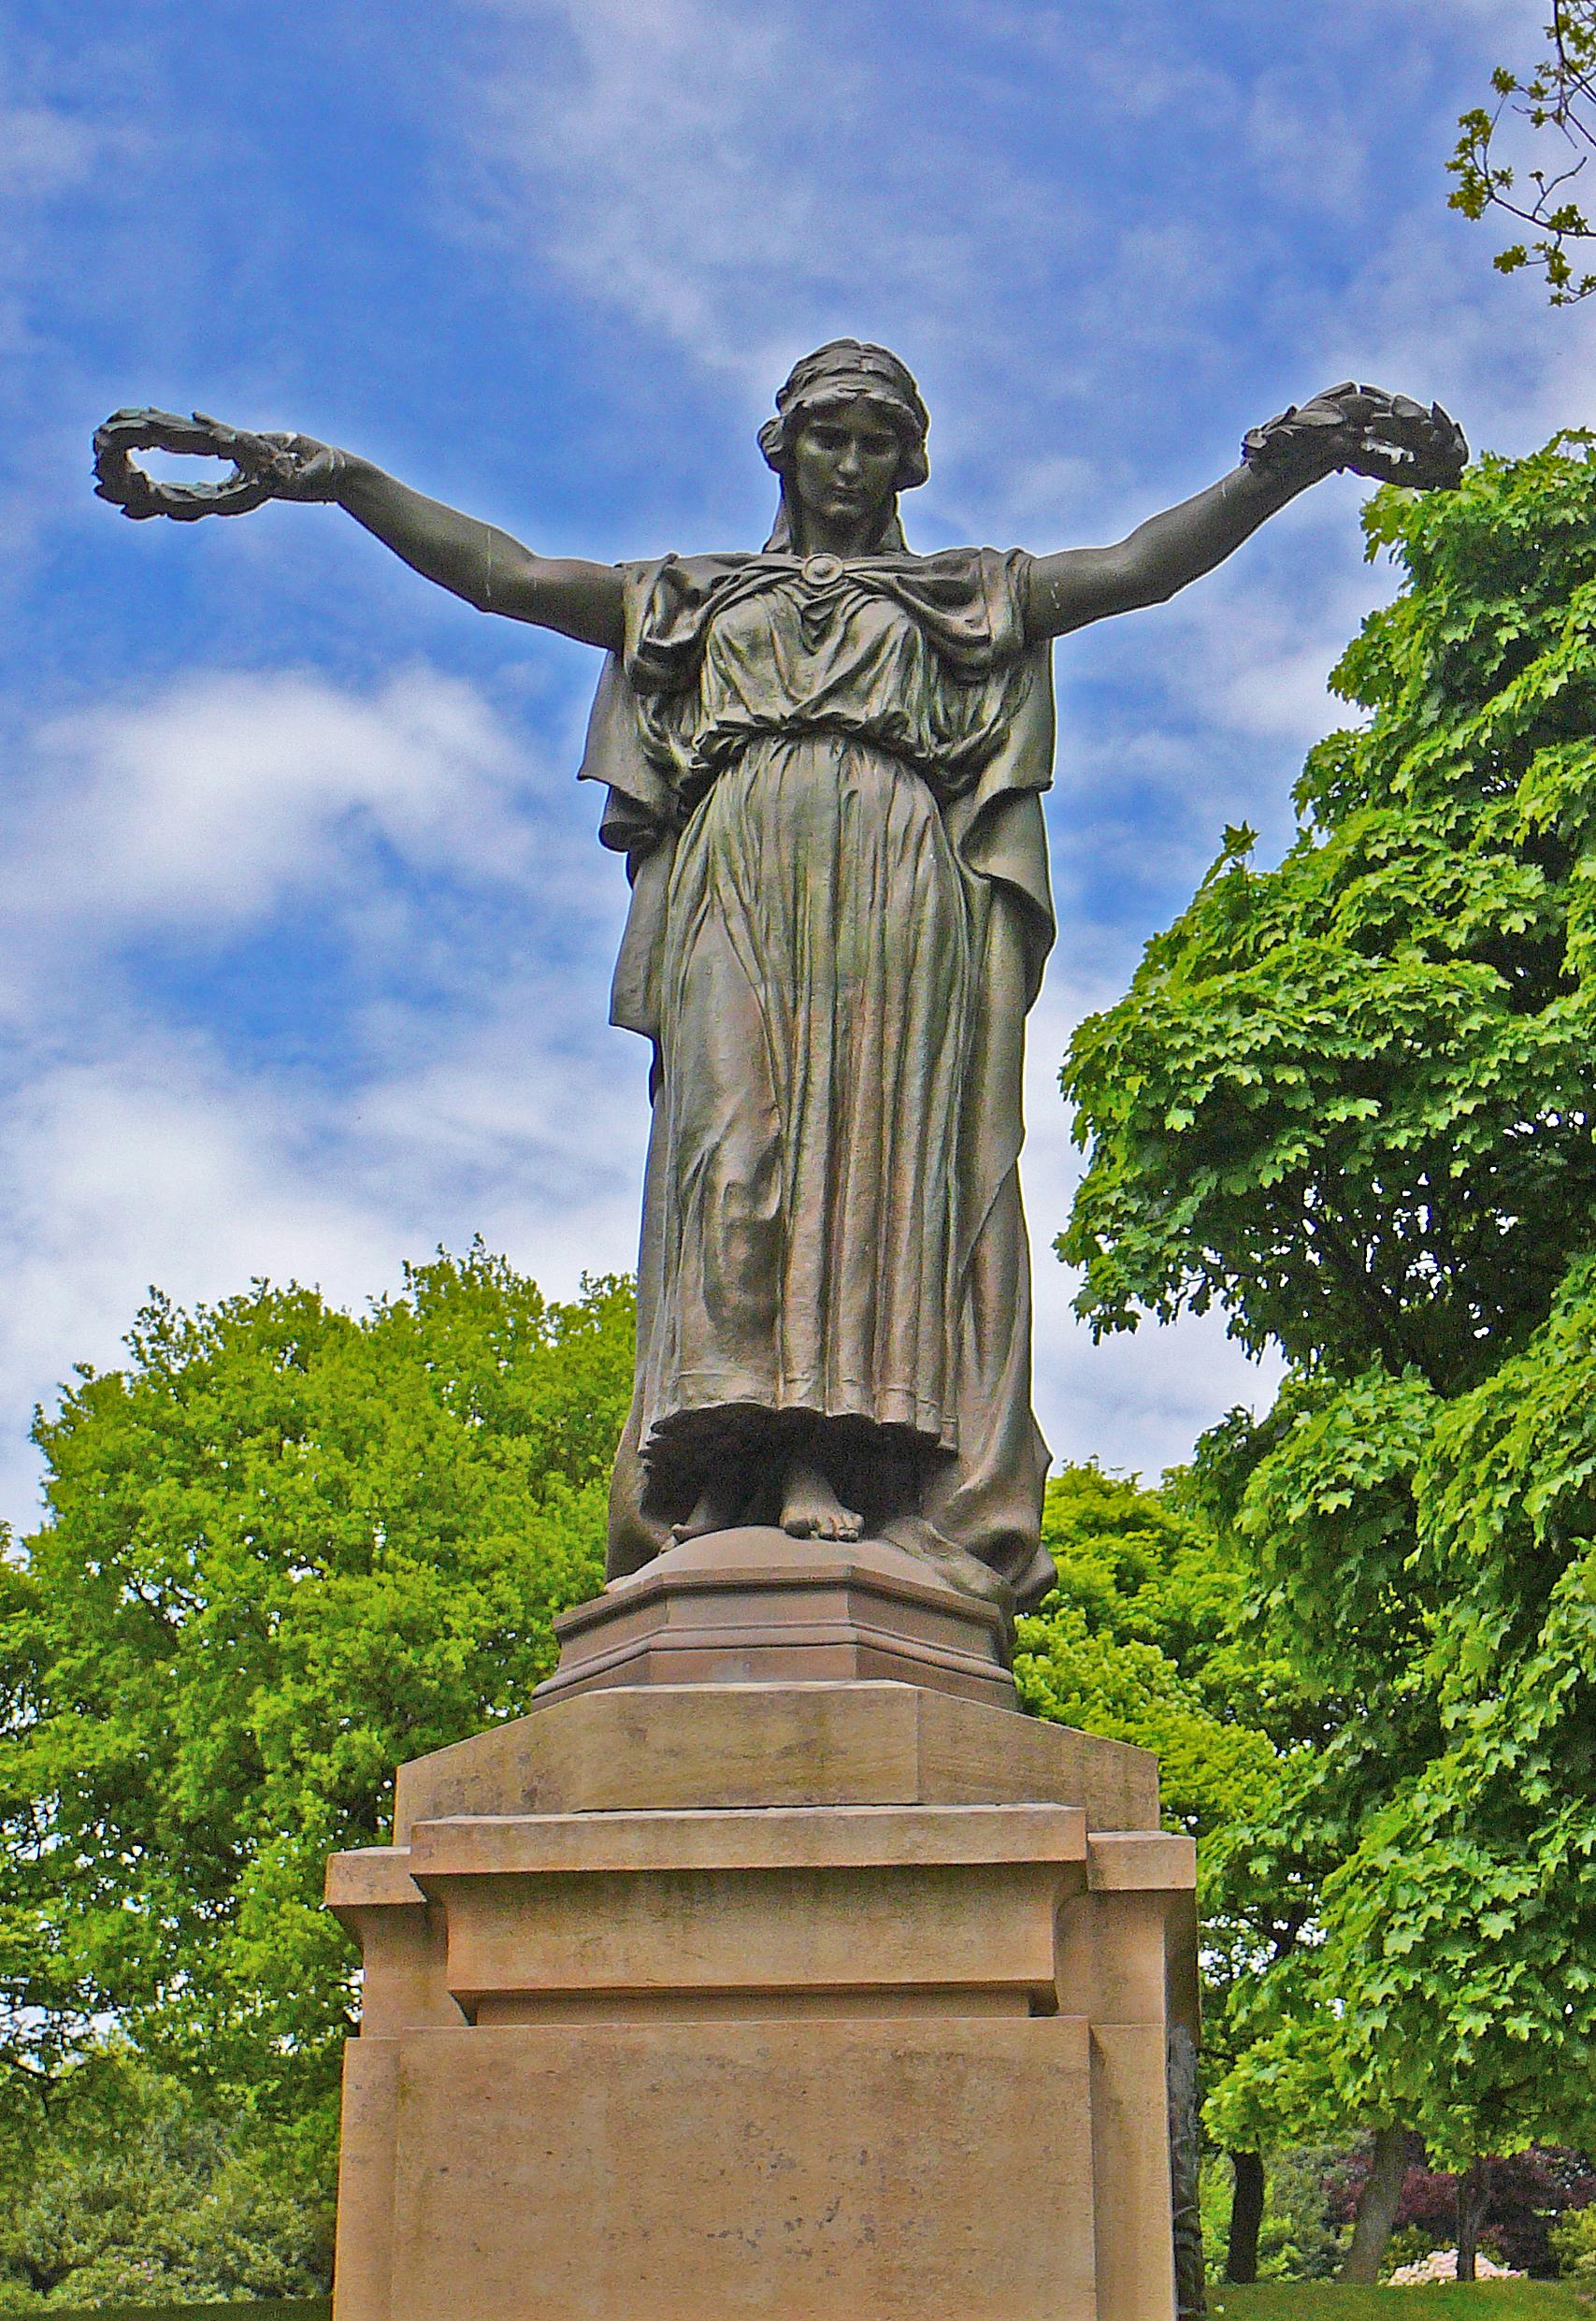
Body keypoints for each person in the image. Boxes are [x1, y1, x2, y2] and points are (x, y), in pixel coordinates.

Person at [106, 345, 1463, 1620]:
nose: (853, 463)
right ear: (785, 445)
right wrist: (337, 479)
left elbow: (1142, 567)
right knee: (736, 1152)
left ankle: (831, 1460)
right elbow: (506, 574)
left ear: (911, 461)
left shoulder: (966, 596)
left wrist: (1283, 465)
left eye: (880, 441)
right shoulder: (692, 595)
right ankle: (721, 1457)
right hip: (737, 863)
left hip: (894, 882)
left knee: (866, 1173)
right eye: (830, 435)